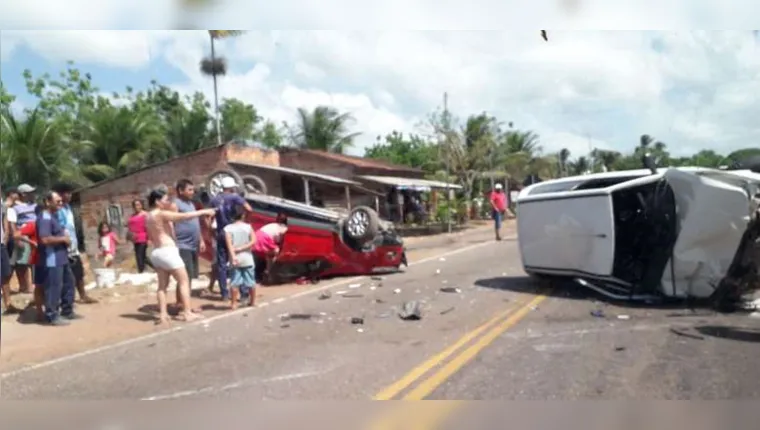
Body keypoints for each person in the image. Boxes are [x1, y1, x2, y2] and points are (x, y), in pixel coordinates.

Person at [145, 187, 215, 324]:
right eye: (165, 200)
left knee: (162, 286)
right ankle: (187, 313)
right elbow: (184, 217)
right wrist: (204, 211)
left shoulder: (148, 216)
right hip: (167, 251)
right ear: (158, 201)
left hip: (157, 252)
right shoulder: (160, 213)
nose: (167, 202)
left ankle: (163, 314)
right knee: (184, 281)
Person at [36, 191, 82, 326]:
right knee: (54, 287)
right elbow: (44, 239)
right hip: (52, 259)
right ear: (47, 202)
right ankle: (52, 315)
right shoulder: (44, 217)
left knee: (69, 282)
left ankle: (67, 310)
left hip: (61, 257)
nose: (61, 204)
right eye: (58, 201)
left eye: (61, 201)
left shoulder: (53, 216)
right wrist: (63, 238)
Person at [53, 183, 98, 304]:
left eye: (70, 193)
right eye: (68, 193)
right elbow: (60, 228)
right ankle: (66, 299)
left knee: (79, 272)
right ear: (61, 195)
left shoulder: (68, 208)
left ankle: (83, 295)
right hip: (64, 246)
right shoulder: (58, 210)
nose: (70, 195)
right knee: (66, 275)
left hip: (73, 245)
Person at [210, 177, 253, 301]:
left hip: (221, 232)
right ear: (231, 187)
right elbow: (249, 208)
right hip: (234, 232)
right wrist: (246, 220)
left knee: (222, 264)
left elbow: (208, 217)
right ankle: (243, 293)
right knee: (239, 261)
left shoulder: (214, 200)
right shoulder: (235, 197)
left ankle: (224, 294)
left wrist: (211, 231)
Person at [171, 179, 206, 310]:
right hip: (182, 245)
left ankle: (182, 303)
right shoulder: (176, 204)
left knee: (189, 276)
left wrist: (201, 240)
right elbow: (171, 224)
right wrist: (174, 242)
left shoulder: (191, 204)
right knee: (184, 276)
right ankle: (181, 305)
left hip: (193, 245)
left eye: (193, 189)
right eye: (190, 189)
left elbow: (196, 223)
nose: (192, 192)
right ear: (181, 191)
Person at [223, 205, 257, 308]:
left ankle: (233, 303)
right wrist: (242, 248)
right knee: (251, 281)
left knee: (234, 282)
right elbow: (253, 241)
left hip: (235, 258)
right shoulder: (248, 227)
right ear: (243, 215)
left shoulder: (228, 229)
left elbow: (229, 245)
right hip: (247, 257)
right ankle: (253, 302)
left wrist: (233, 256)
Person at [9, 183, 38, 294]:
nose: (33, 194)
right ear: (23, 194)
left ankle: (36, 284)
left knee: (35, 260)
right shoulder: (15, 208)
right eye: (30, 193)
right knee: (24, 262)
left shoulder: (34, 206)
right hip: (24, 235)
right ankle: (26, 286)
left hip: (36, 235)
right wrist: (17, 238)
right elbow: (13, 224)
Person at [254, 213, 288, 283]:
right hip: (265, 238)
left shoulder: (272, 224)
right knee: (276, 251)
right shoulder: (284, 228)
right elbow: (279, 240)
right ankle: (268, 271)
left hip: (256, 235)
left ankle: (262, 272)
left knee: (267, 254)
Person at [127, 199, 151, 273]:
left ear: (141, 205)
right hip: (135, 239)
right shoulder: (132, 216)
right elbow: (130, 226)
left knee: (140, 256)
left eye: (138, 204)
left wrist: (149, 238)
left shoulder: (145, 214)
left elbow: (149, 227)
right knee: (141, 257)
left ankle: (141, 271)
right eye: (135, 205)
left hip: (143, 237)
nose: (136, 207)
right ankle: (155, 268)